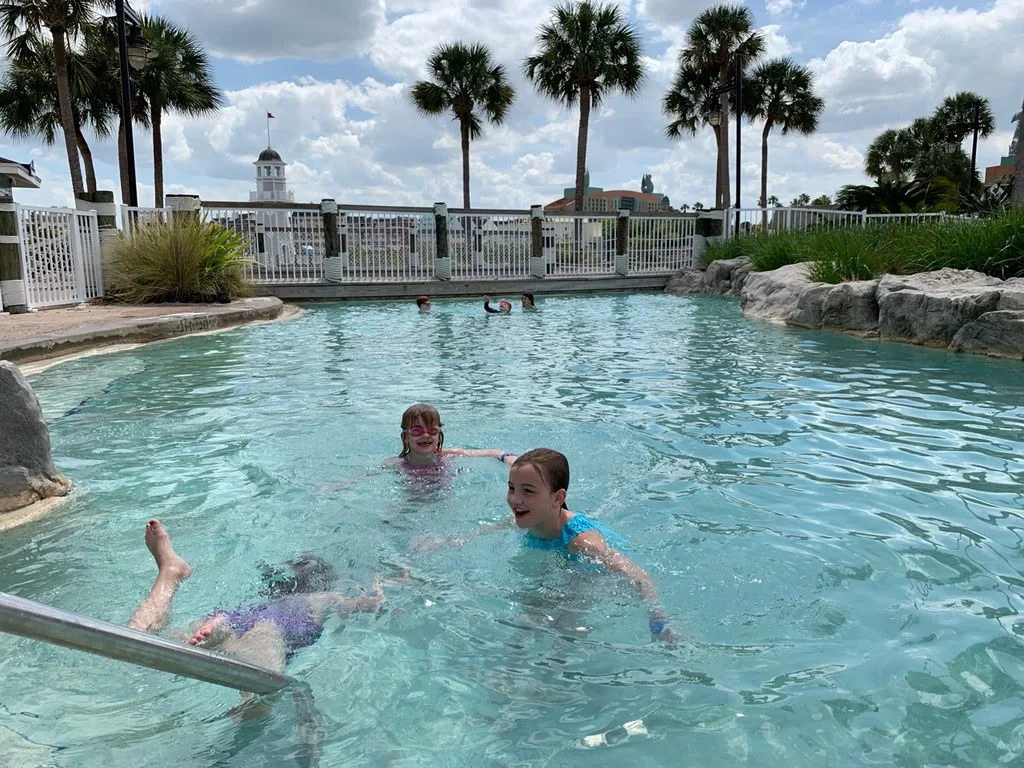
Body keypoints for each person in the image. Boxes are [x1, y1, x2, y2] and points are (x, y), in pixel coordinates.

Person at [412, 448, 678, 642]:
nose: (515, 499)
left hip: (589, 573)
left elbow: (640, 577)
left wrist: (658, 623)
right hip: (558, 558)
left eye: (527, 491)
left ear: (557, 498)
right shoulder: (525, 517)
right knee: (526, 621)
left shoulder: (583, 541)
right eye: (512, 488)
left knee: (563, 628)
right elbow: (485, 531)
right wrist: (447, 542)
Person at [127, 520, 404, 678]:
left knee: (135, 646)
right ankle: (221, 634)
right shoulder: (324, 597)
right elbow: (367, 605)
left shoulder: (260, 603)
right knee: (259, 692)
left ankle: (170, 575)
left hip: (234, 618)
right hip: (268, 631)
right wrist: (382, 588)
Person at [319, 403, 515, 491]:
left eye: (432, 430)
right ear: (405, 437)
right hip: (413, 503)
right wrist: (337, 486)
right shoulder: (397, 463)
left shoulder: (449, 454)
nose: (426, 435)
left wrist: (507, 457)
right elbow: (363, 476)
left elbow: (490, 452)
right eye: (417, 431)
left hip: (443, 499)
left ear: (439, 434)